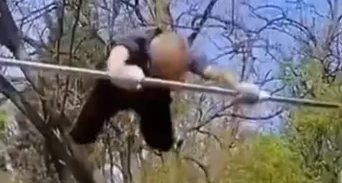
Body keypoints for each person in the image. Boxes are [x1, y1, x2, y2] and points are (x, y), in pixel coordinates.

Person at [70, 29, 244, 152]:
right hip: (116, 87)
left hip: (151, 94)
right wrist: (122, 72)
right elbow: (116, 58)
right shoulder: (137, 41)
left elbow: (214, 72)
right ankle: (79, 135)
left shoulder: (184, 56)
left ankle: (159, 136)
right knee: (85, 131)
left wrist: (236, 85)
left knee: (162, 141)